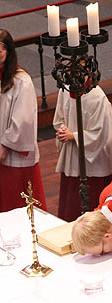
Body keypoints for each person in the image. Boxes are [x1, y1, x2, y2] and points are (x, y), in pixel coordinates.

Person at [53, 82, 112, 221]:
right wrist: (63, 130)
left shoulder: (97, 97)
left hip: (91, 164)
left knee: (91, 207)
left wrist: (73, 136)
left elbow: (100, 133)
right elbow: (59, 118)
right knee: (70, 201)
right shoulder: (65, 90)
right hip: (71, 153)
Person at [0, 29, 47, 212]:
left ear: (9, 52)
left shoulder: (21, 81)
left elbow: (23, 119)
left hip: (12, 154)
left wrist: (4, 145)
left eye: (1, 49)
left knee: (18, 205)